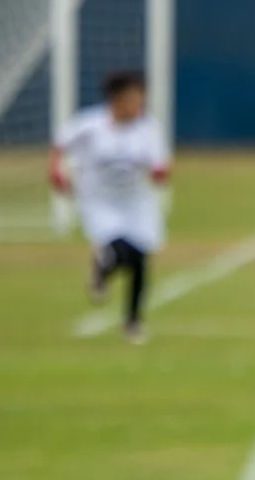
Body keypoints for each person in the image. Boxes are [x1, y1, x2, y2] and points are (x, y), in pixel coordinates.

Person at [51, 68, 170, 344]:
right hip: (99, 202)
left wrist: (159, 173)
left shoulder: (148, 129)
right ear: (116, 100)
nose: (138, 106)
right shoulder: (90, 126)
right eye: (132, 99)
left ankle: (132, 319)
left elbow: (159, 165)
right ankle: (103, 268)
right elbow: (60, 145)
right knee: (119, 247)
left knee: (140, 259)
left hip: (137, 203)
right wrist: (56, 172)